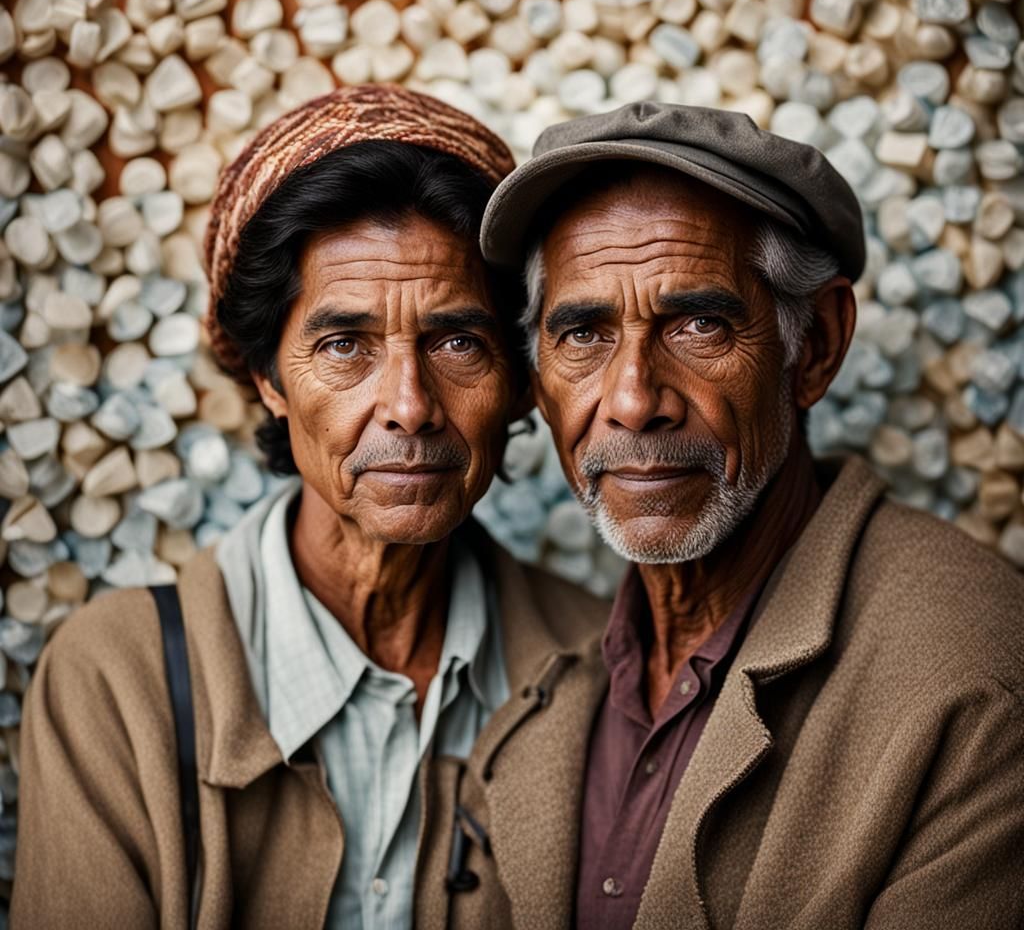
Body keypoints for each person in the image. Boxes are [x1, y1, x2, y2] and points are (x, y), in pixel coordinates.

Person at [11, 85, 609, 929]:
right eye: (343, 345)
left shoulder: (599, 668)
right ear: (269, 380)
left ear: (517, 384)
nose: (409, 405)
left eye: (457, 342)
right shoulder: (118, 682)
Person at [477, 101, 1024, 929]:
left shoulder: (973, 678)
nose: (633, 402)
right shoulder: (550, 664)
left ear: (815, 346)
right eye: (584, 333)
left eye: (699, 324)